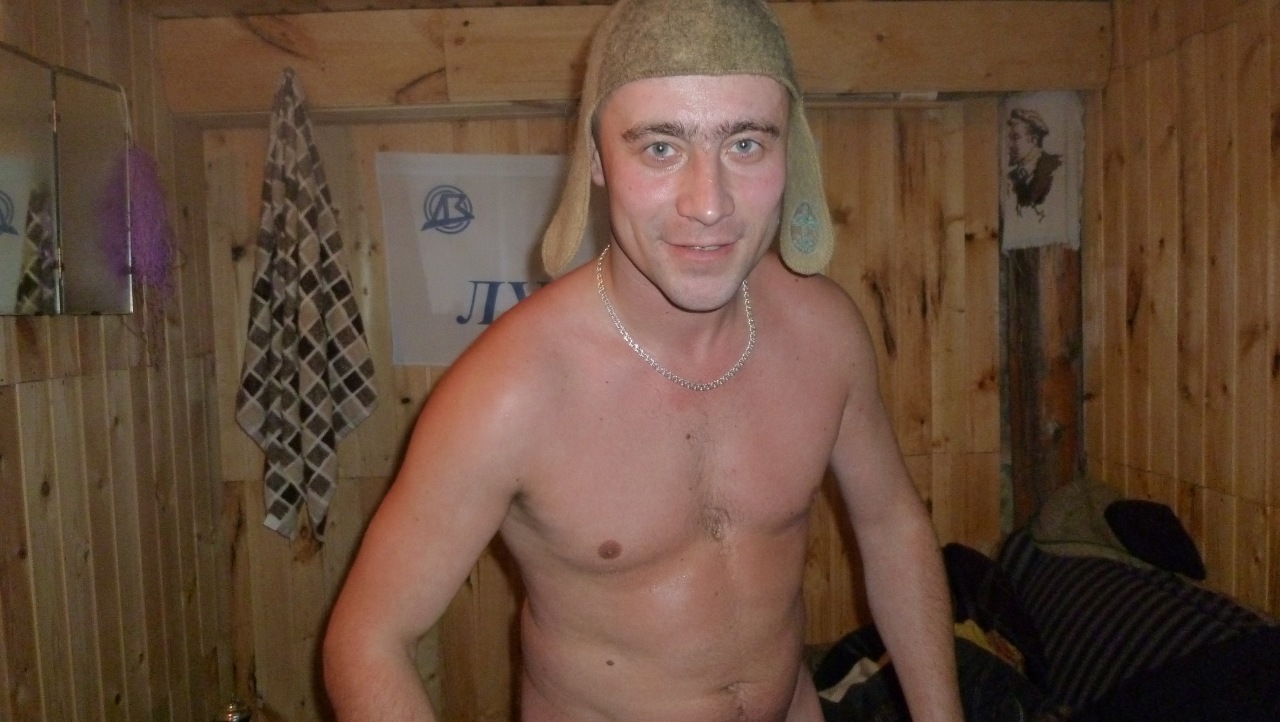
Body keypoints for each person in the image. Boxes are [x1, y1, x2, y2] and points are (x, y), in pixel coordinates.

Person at [323, 0, 964, 720]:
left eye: (745, 144)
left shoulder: (826, 335)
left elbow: (892, 527)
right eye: (660, 147)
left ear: (793, 152)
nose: (709, 204)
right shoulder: (510, 393)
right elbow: (368, 639)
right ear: (597, 159)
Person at [1005, 107, 1062, 219]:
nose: (1009, 145)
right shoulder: (1010, 178)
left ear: (1034, 139)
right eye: (1009, 138)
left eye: (1015, 137)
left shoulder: (1057, 169)